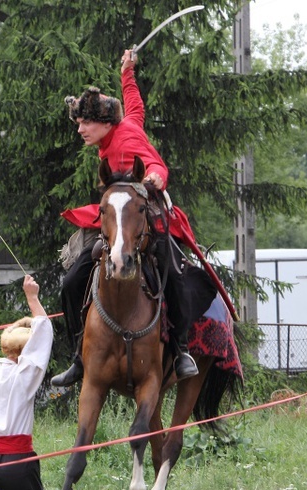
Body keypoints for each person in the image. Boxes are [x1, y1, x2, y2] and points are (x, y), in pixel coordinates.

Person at [52, 49, 216, 387]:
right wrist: (127, 72)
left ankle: (182, 350)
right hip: (116, 223)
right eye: (78, 122)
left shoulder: (124, 139)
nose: (80, 129)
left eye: (86, 122)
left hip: (149, 223)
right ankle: (78, 357)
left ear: (105, 123)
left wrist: (155, 176)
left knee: (174, 280)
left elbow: (154, 163)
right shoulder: (125, 123)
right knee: (71, 285)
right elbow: (135, 107)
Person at [0, 274, 53, 490]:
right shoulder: (22, 378)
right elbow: (44, 336)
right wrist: (32, 298)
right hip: (16, 463)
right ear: (26, 352)